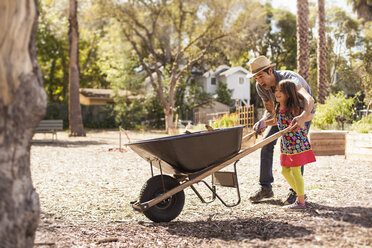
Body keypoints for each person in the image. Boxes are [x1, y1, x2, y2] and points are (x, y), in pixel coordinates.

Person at [247, 55, 315, 205]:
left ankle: (296, 193)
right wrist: (263, 122)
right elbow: (270, 110)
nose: (259, 81)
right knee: (266, 144)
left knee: (295, 149)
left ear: (270, 71)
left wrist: (303, 117)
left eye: (261, 77)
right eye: (256, 78)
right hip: (281, 114)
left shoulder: (289, 80)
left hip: (302, 112)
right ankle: (265, 188)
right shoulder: (261, 87)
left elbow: (309, 100)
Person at [265, 80, 316, 209]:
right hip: (287, 144)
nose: (277, 93)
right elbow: (277, 121)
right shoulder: (279, 108)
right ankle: (301, 195)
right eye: (276, 90)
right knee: (285, 170)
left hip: (296, 142)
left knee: (295, 171)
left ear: (288, 94)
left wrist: (302, 119)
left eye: (280, 91)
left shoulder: (294, 108)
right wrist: (263, 124)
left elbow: (310, 116)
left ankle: (300, 202)